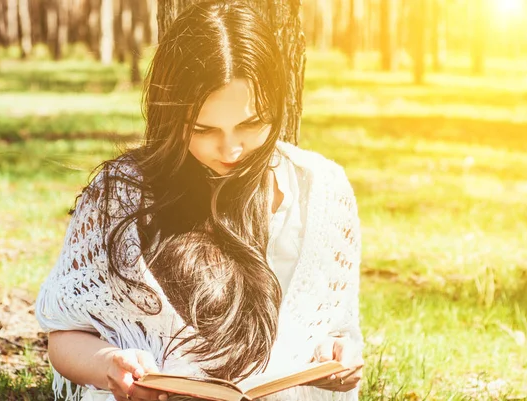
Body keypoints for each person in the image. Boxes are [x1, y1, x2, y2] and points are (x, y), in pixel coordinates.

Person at [34, 1, 364, 401]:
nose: (231, 149)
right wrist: (108, 365)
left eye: (251, 124)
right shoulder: (121, 192)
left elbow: (334, 332)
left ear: (276, 105)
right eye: (204, 130)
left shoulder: (321, 191)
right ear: (172, 116)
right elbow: (66, 335)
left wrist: (338, 357)